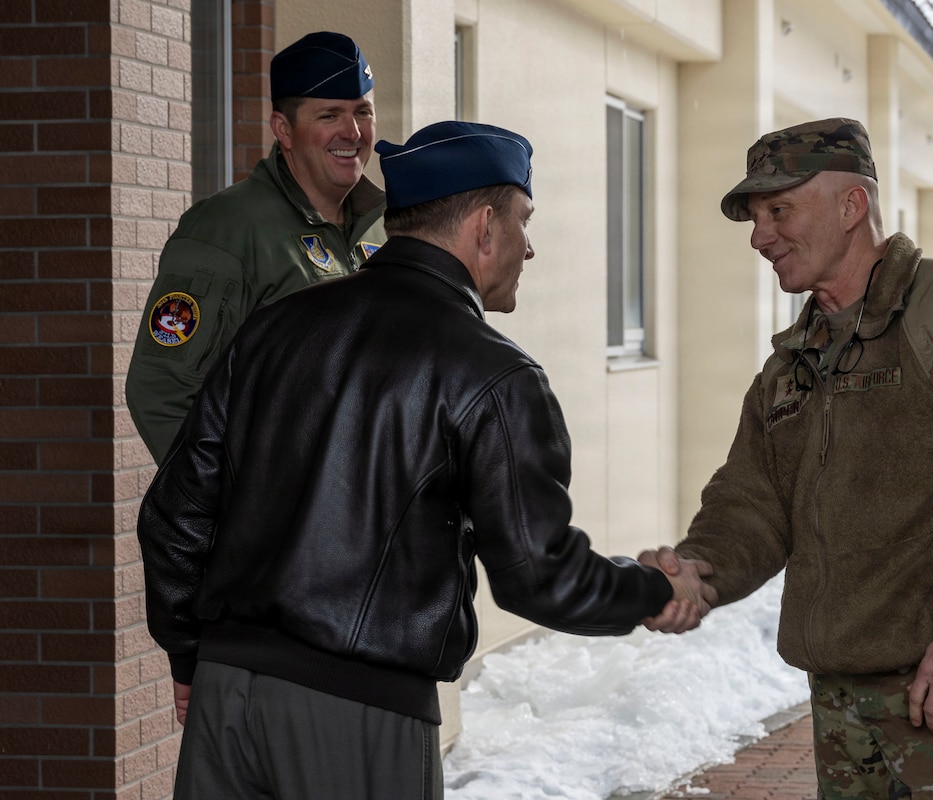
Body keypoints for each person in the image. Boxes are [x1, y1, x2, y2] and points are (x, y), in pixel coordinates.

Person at [137, 120, 717, 800]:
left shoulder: (272, 330)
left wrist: (190, 654)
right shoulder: (496, 375)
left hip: (225, 701)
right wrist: (654, 591)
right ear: (482, 227)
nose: (529, 248)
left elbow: (175, 519)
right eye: (524, 220)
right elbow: (537, 574)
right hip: (358, 712)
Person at [641, 118, 933, 798]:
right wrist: (697, 574)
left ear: (852, 207)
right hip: (840, 703)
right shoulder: (791, 365)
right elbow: (751, 504)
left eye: (779, 210)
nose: (761, 237)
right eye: (755, 218)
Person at [126, 30, 388, 463]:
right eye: (330, 116)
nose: (354, 132)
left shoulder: (383, 227)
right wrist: (231, 510)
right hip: (281, 521)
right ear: (283, 129)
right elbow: (160, 388)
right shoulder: (227, 228)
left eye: (363, 111)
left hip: (363, 511)